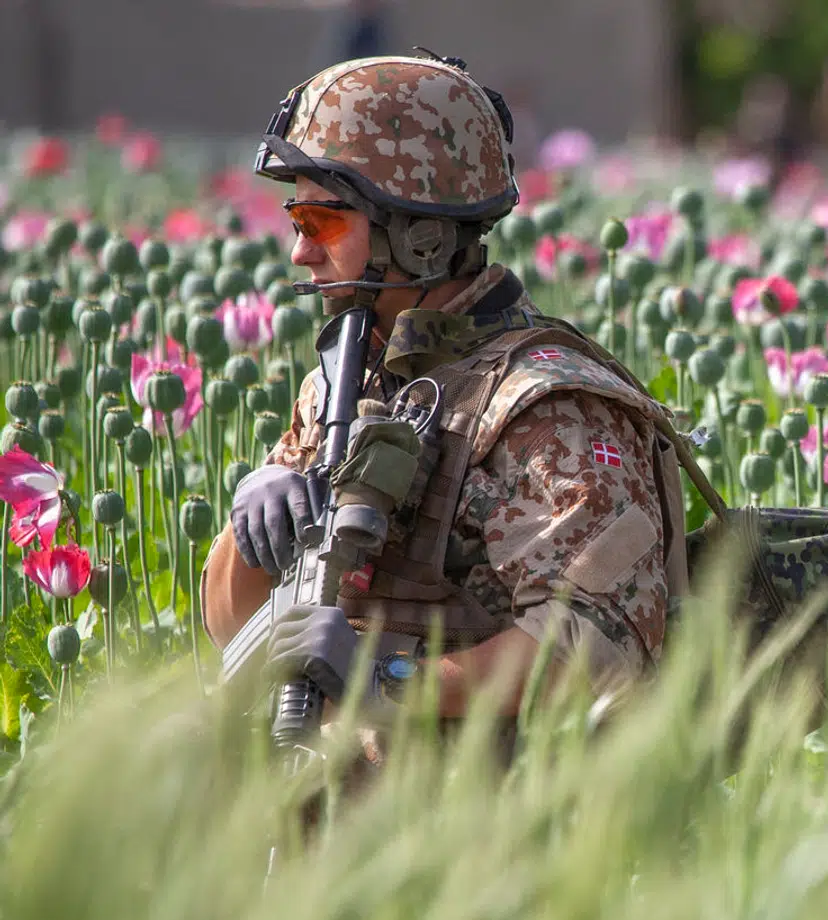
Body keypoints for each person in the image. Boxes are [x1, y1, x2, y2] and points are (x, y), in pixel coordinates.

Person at [200, 52, 689, 762]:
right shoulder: (347, 382)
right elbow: (229, 629)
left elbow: (599, 642)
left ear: (419, 234)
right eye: (294, 219)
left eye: (321, 221)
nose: (300, 251)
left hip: (498, 820)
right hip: (340, 788)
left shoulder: (547, 406)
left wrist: (391, 682)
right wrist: (249, 539)